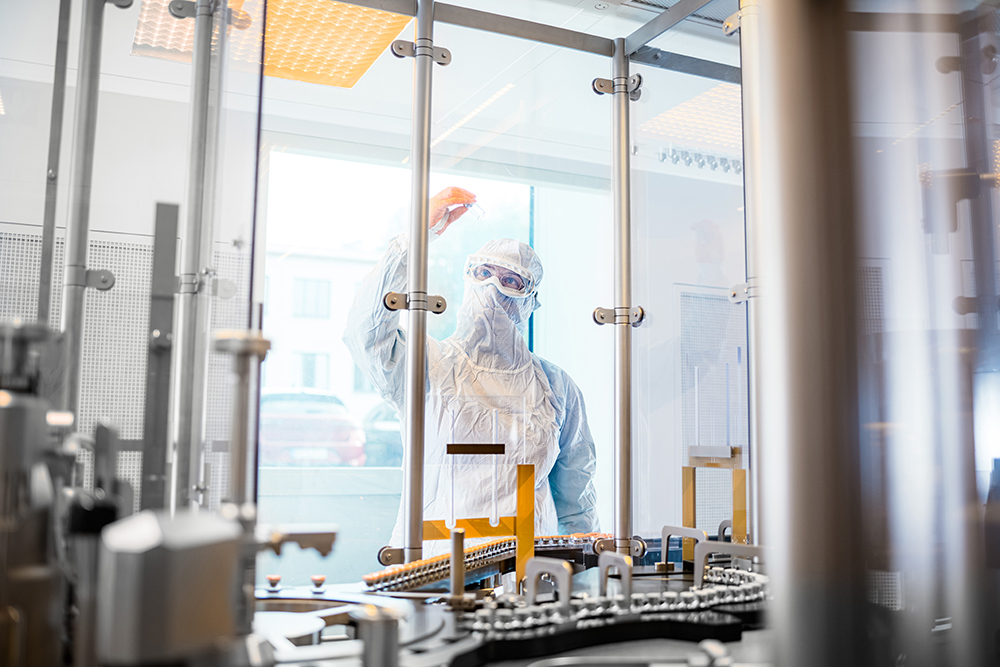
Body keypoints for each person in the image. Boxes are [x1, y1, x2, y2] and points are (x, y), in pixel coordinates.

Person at [344, 187, 599, 554]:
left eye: (511, 280)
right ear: (468, 280)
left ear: (530, 300)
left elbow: (578, 499)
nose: (494, 286)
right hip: (434, 568)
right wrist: (414, 239)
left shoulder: (556, 387)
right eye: (484, 273)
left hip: (528, 574)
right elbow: (363, 331)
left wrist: (582, 568)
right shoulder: (427, 365)